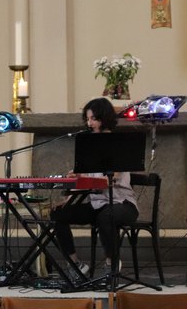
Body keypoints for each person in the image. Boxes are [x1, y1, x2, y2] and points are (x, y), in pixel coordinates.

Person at [49, 97, 139, 281]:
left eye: (93, 119)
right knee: (59, 214)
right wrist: (70, 196)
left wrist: (85, 177)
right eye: (87, 119)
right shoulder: (88, 145)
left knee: (106, 215)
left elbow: (112, 179)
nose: (89, 123)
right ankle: (76, 265)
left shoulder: (119, 143)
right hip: (98, 203)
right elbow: (84, 177)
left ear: (104, 118)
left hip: (122, 203)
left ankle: (111, 264)